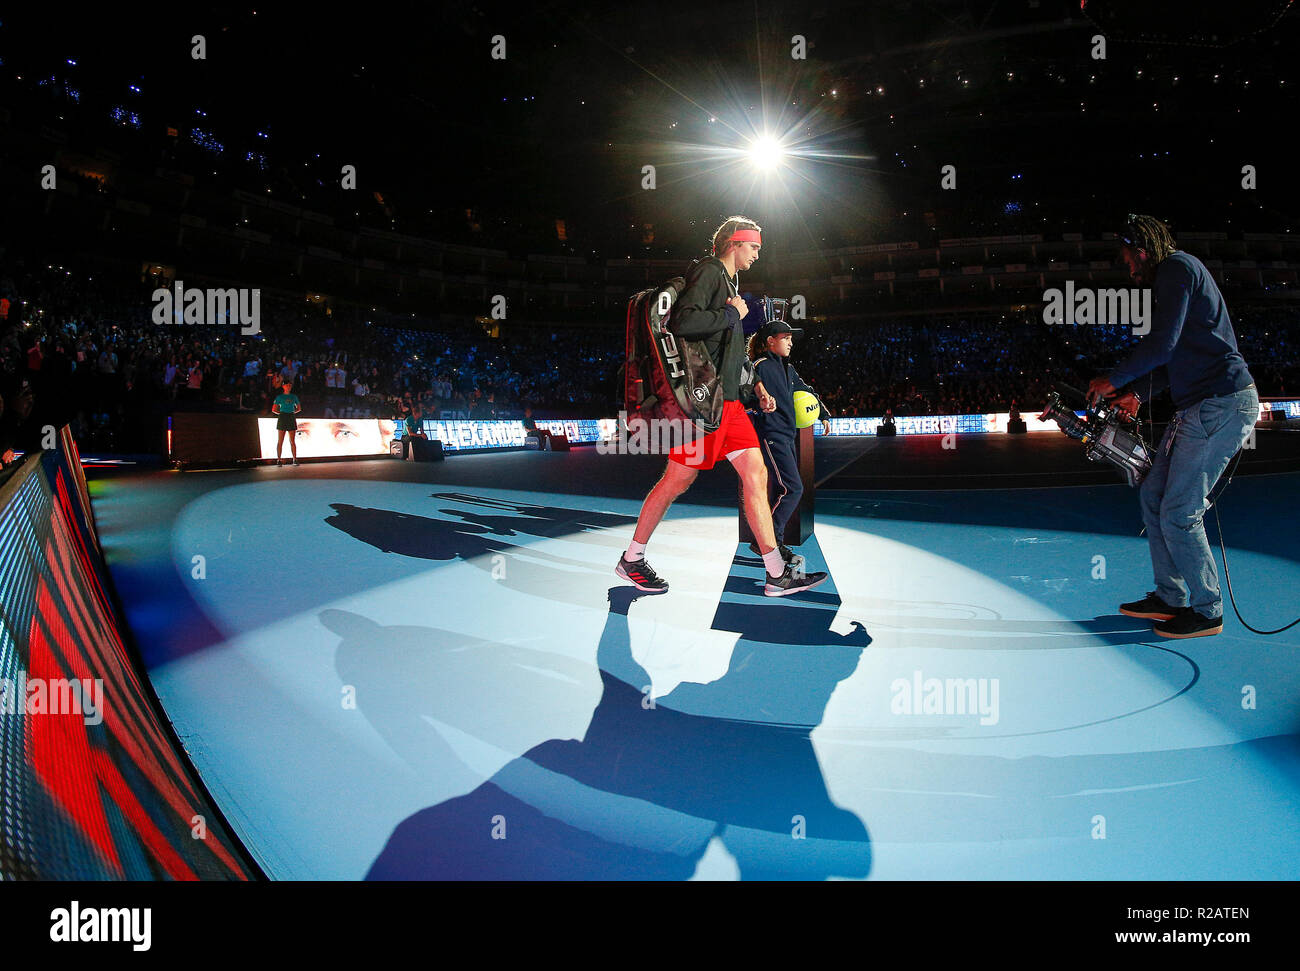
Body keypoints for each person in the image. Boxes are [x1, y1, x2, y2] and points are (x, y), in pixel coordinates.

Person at [615, 216, 828, 598]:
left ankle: (776, 573)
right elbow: (683, 321)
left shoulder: (730, 282)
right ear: (733, 243)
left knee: (755, 475)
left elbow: (727, 351)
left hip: (728, 405)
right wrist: (733, 315)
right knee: (675, 481)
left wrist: (756, 385)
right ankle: (632, 557)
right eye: (754, 247)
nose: (757, 255)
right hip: (706, 410)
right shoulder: (711, 271)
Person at [1088, 214, 1258, 639]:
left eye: (1128, 258)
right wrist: (1139, 394)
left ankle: (1208, 610)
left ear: (1141, 249)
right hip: (1199, 406)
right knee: (1154, 494)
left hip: (1220, 404)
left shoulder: (1175, 269)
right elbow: (1177, 353)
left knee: (1180, 512)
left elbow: (1163, 343)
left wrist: (1115, 378)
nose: (1128, 268)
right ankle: (1171, 598)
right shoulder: (1177, 273)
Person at [747, 320, 832, 560]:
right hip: (771, 435)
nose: (791, 342)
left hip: (786, 435)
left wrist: (823, 413)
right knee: (793, 488)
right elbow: (744, 394)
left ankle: (768, 541)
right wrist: (759, 403)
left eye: (791, 338)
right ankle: (768, 541)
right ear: (770, 341)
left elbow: (805, 390)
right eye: (786, 337)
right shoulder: (759, 367)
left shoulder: (788, 369)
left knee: (782, 489)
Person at [272, 378, 302, 466]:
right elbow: (274, 409)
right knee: (280, 440)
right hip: (283, 417)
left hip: (291, 417)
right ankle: (279, 459)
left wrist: (291, 413)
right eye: (287, 385)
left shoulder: (294, 396)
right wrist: (282, 414)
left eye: (290, 385)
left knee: (292, 440)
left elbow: (299, 408)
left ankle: (294, 459)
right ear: (283, 386)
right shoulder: (279, 397)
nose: (288, 386)